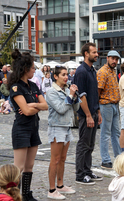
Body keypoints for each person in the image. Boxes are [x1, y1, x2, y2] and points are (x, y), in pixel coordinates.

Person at [8, 49, 48, 200]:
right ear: (25, 69)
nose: (35, 70)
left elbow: (45, 106)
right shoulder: (15, 87)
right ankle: (14, 196)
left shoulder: (33, 85)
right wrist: (35, 105)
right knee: (19, 167)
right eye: (33, 68)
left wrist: (33, 106)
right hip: (21, 129)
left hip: (33, 128)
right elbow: (25, 110)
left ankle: (26, 194)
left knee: (29, 166)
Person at [46, 66, 79, 199]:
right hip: (56, 126)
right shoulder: (52, 92)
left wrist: (75, 97)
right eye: (63, 75)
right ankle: (51, 190)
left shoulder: (65, 90)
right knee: (55, 159)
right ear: (56, 76)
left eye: (67, 74)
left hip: (67, 126)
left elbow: (75, 108)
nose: (66, 77)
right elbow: (60, 109)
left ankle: (60, 185)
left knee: (63, 159)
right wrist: (70, 96)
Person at [74, 43, 103, 185]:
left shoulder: (92, 70)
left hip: (93, 112)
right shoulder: (81, 71)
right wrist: (88, 115)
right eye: (94, 52)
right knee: (83, 144)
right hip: (86, 115)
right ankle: (80, 175)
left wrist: (98, 112)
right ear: (86, 53)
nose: (97, 54)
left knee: (90, 145)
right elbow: (82, 96)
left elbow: (94, 94)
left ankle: (87, 170)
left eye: (96, 52)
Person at [97, 50, 122, 169]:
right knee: (105, 133)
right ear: (107, 58)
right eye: (112, 58)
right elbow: (98, 91)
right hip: (106, 105)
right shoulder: (103, 72)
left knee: (116, 133)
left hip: (115, 104)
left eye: (116, 59)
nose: (114, 61)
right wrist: (97, 109)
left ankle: (118, 157)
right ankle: (105, 159)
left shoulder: (113, 71)